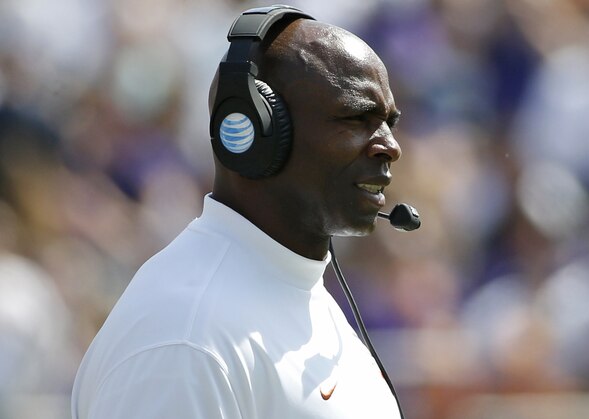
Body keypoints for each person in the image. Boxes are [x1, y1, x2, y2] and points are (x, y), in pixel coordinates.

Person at [71, 5, 406, 418]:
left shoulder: (302, 295)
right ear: (253, 133)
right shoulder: (186, 337)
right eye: (357, 117)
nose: (390, 146)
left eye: (389, 121)